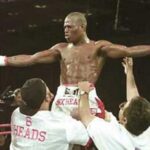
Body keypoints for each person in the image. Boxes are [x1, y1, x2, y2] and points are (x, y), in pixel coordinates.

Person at [1, 12, 150, 116]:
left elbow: (129, 50)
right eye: (64, 27)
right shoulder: (61, 49)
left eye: (69, 27)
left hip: (85, 95)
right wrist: (4, 60)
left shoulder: (98, 47)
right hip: (63, 96)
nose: (65, 30)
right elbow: (32, 58)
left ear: (82, 27)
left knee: (88, 139)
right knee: (60, 139)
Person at [78, 57, 150, 150]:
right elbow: (134, 98)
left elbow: (85, 116)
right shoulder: (145, 129)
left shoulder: (111, 135)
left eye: (123, 107)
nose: (121, 106)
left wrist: (83, 90)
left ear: (124, 120)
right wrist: (129, 73)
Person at [10, 78, 89, 150]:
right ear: (47, 98)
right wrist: (84, 93)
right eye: (48, 94)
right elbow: (87, 135)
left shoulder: (16, 114)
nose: (52, 95)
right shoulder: (62, 123)